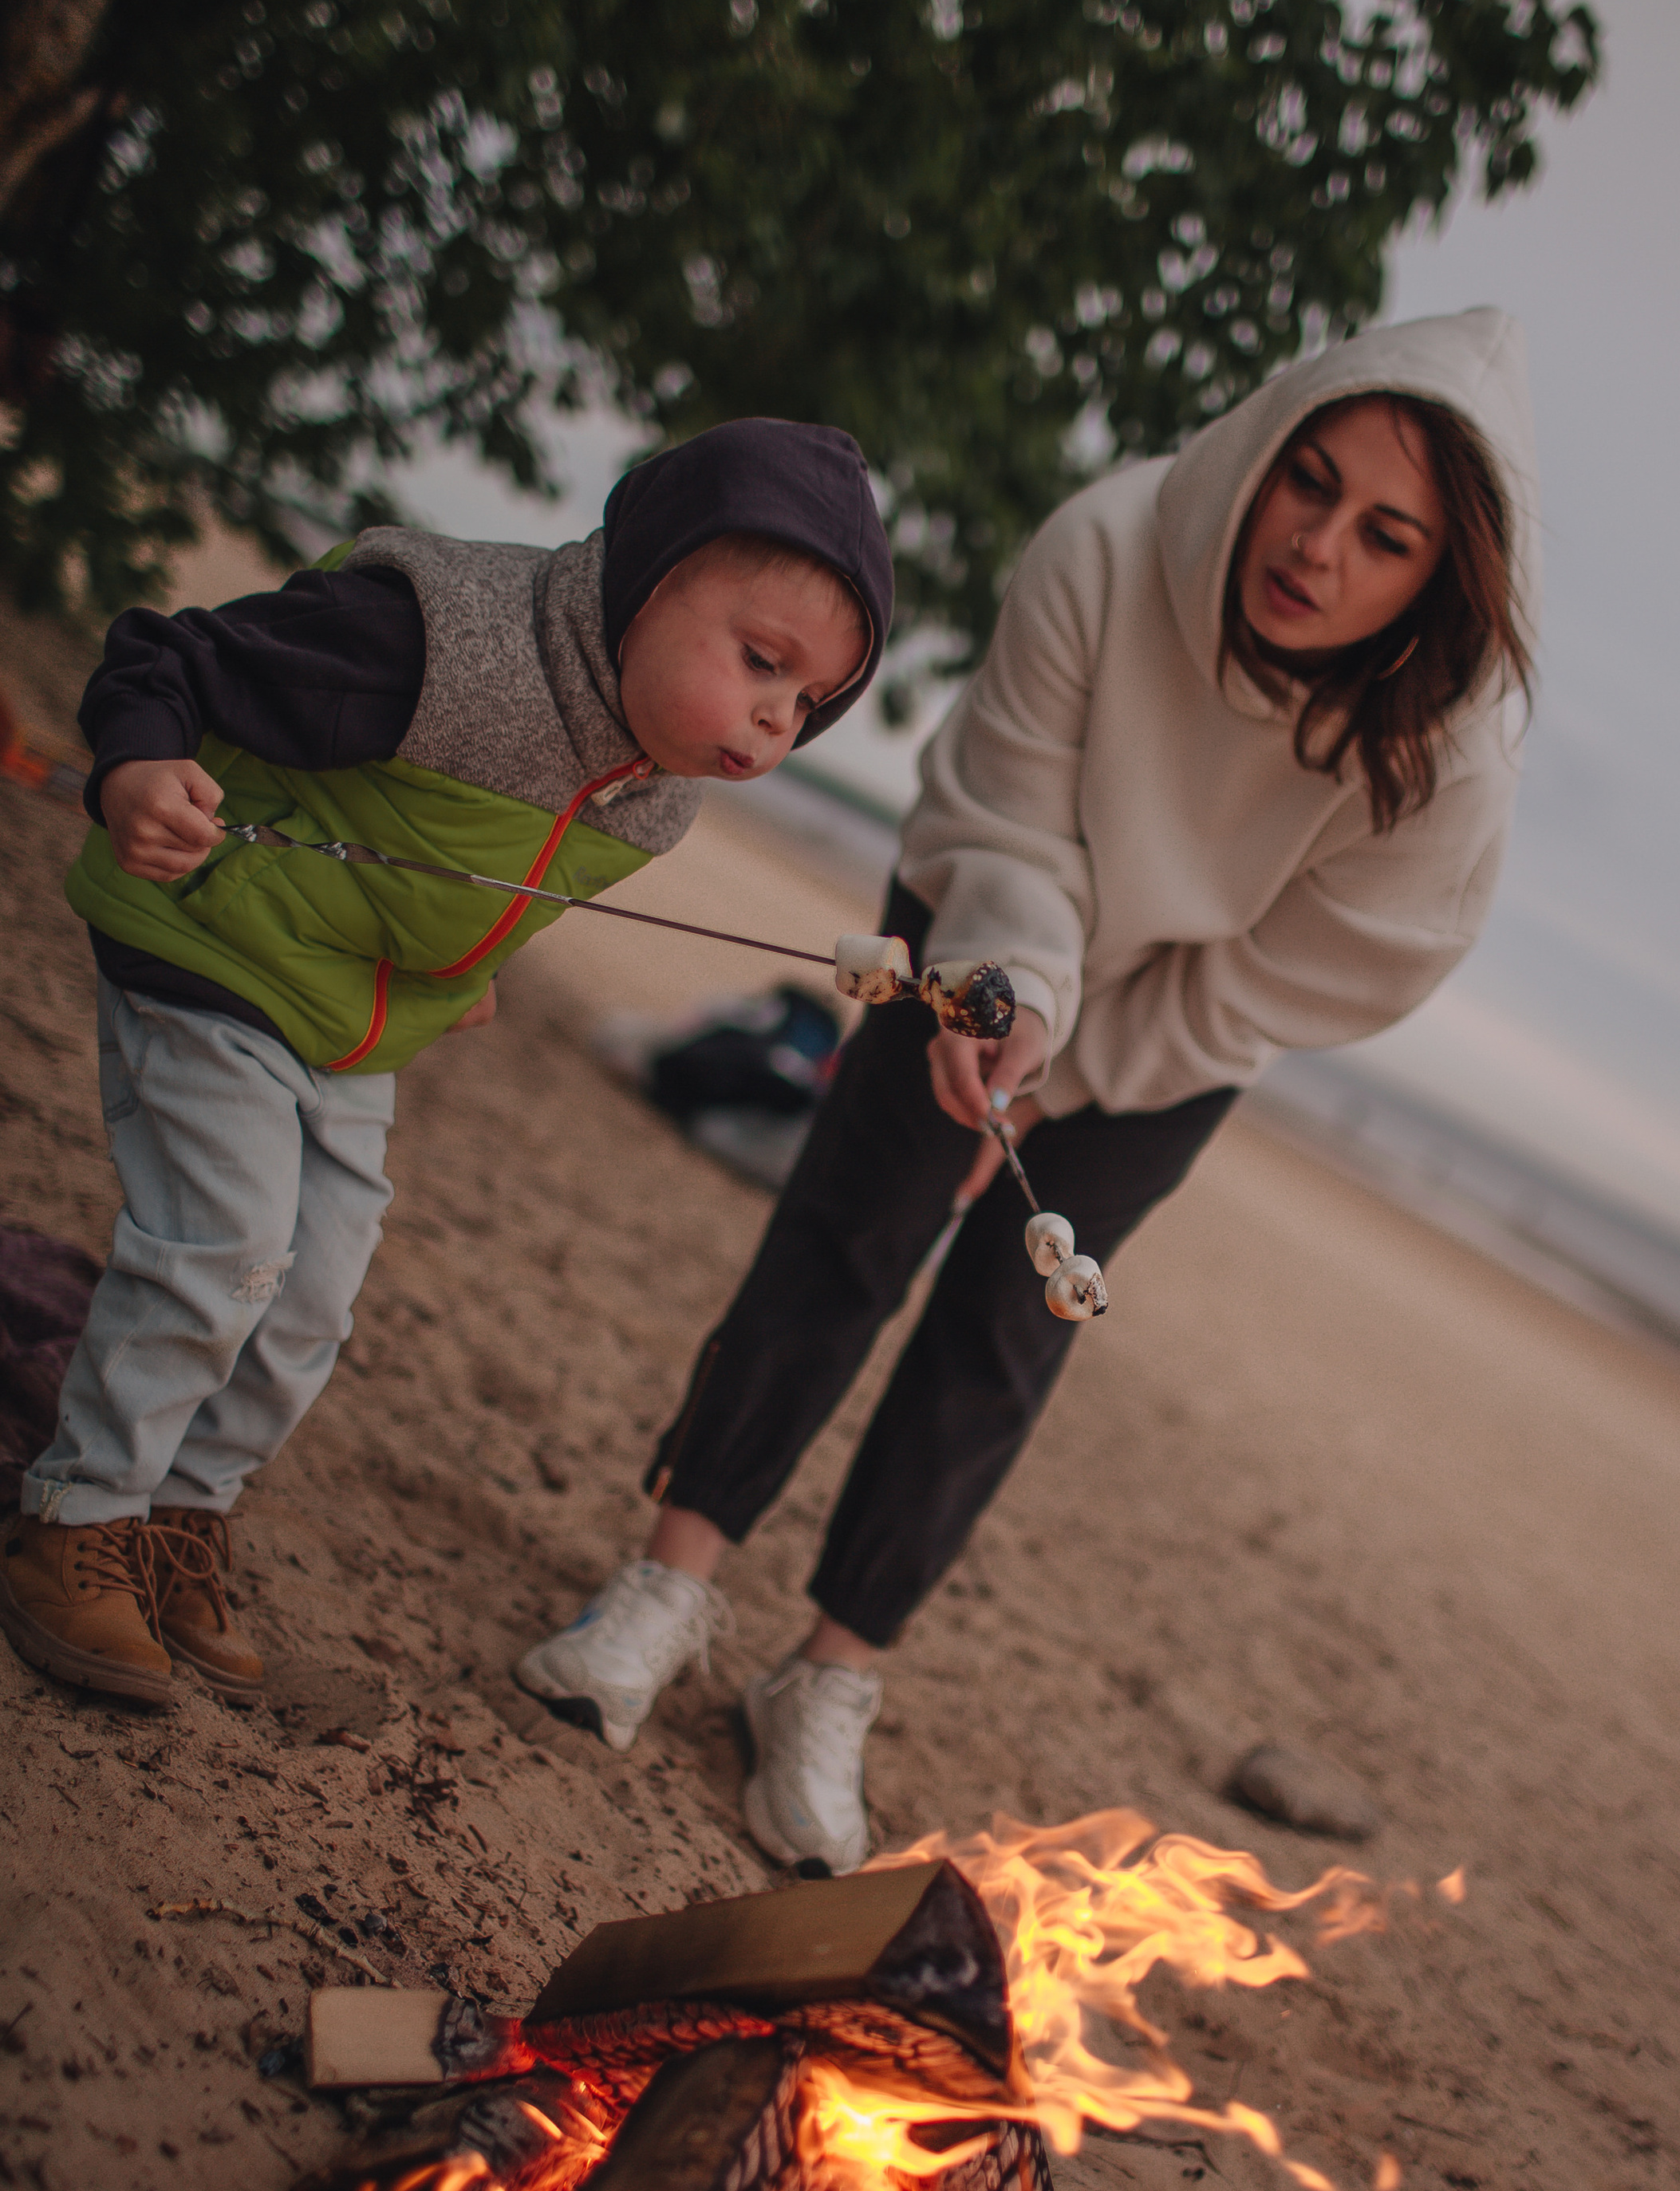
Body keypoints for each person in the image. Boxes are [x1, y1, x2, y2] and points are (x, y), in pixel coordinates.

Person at [518, 307, 1540, 1866]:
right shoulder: (1108, 546)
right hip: (992, 918)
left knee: (1005, 1333)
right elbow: (1008, 818)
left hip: (1183, 1029)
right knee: (844, 1234)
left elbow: (1329, 963)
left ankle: (827, 1681)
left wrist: (1074, 1081)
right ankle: (663, 1588)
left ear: (1434, 576)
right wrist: (1018, 1006)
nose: (1318, 543)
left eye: (1382, 533)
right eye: (1308, 481)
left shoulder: (1451, 747)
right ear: (1266, 447)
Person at [2, 423, 893, 1708]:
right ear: (647, 579)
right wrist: (140, 763)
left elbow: (475, 878)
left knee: (311, 1297)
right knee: (227, 1247)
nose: (776, 715)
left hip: (356, 1019)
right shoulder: (437, 640)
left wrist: (462, 979)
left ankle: (176, 1517)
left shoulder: (659, 796)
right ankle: (79, 1517)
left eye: (811, 703)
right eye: (762, 661)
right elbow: (170, 654)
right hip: (215, 945)